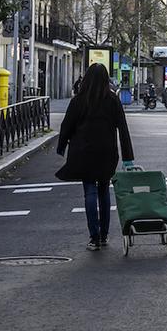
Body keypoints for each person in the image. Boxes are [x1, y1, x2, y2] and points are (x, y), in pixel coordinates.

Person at [55, 62, 136, 250]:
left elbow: (66, 125)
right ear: (106, 79)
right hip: (106, 153)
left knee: (89, 192)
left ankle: (94, 236)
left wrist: (61, 147)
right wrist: (127, 157)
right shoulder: (112, 99)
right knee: (104, 192)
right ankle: (105, 235)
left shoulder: (78, 100)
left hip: (83, 152)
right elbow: (122, 128)